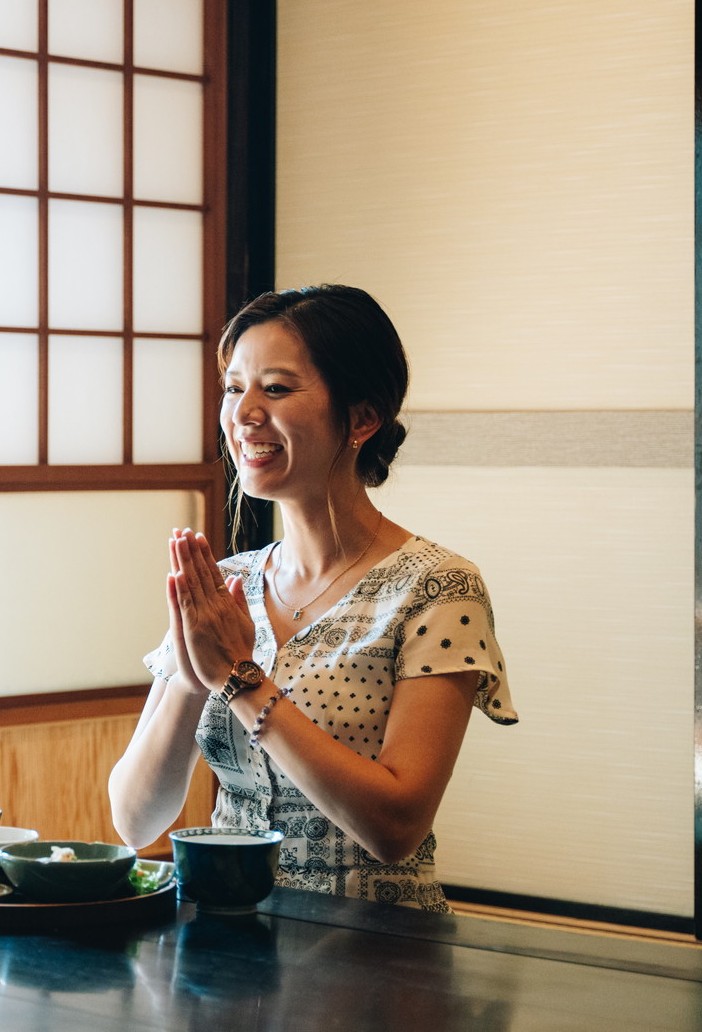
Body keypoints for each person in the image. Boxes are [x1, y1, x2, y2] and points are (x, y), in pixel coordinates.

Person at [108, 285, 517, 912]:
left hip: (375, 957)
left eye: (275, 388)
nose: (243, 413)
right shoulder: (227, 586)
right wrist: (193, 677)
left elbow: (396, 829)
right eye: (233, 387)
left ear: (361, 418)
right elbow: (135, 823)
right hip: (227, 951)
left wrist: (241, 679)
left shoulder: (435, 588)